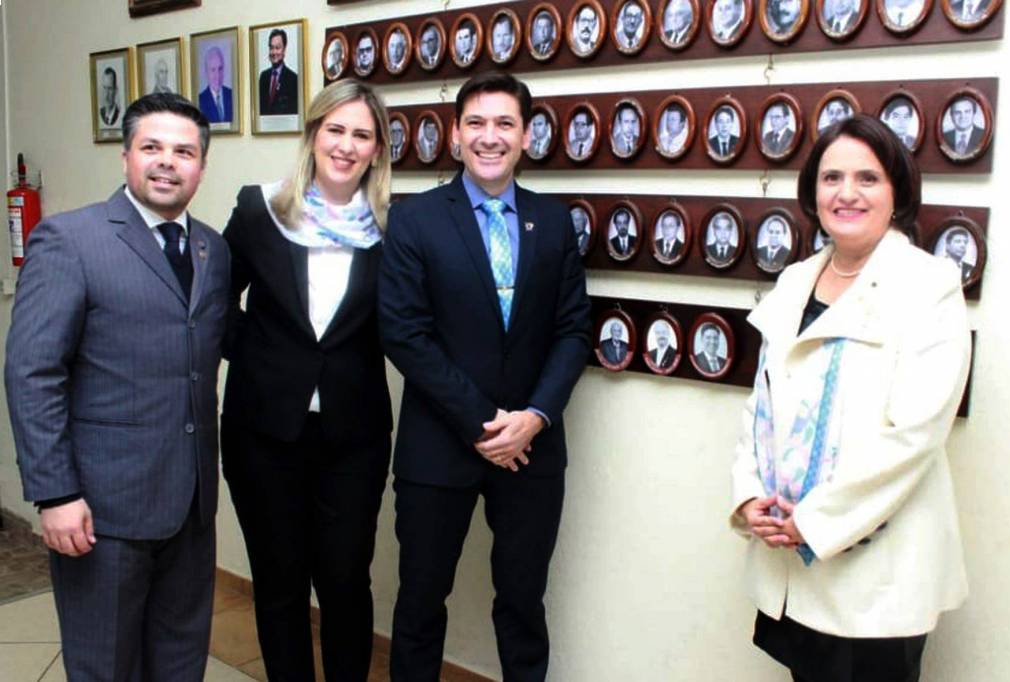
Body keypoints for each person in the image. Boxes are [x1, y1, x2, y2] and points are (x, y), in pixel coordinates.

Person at [730, 114, 970, 682]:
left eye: (868, 178)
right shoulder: (794, 281)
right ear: (813, 191)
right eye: (832, 177)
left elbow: (914, 436)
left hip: (876, 572)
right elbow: (761, 407)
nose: (847, 193)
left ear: (897, 192)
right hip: (791, 562)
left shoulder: (928, 285)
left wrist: (813, 521)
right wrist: (749, 497)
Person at [5, 93, 227, 680]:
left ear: (202, 166)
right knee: (105, 665)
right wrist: (55, 493)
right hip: (100, 508)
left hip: (191, 504)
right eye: (152, 147)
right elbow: (32, 373)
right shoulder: (70, 240)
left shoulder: (212, 248)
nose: (167, 162)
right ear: (126, 156)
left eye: (184, 152)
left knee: (180, 661)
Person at [379, 71, 591, 682]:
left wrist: (534, 418)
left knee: (523, 604)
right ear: (455, 135)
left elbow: (573, 331)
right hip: (438, 447)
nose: (489, 136)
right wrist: (482, 423)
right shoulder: (416, 220)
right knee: (420, 604)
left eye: (504, 123)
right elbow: (405, 333)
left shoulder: (553, 222)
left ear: (526, 136)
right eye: (475, 122)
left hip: (532, 449)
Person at [220, 79, 394, 682]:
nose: (346, 146)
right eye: (335, 129)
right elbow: (216, 301)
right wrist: (258, 359)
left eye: (362, 135)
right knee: (279, 581)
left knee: (345, 581)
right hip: (263, 432)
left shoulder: (392, 227)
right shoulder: (260, 210)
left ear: (377, 149)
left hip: (354, 437)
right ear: (314, 133)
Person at [259, 28, 299, 116]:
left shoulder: (293, 79)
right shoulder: (263, 77)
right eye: (271, 48)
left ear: (284, 50)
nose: (274, 52)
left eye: (277, 48)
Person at [198, 45, 233, 124]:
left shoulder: (232, 95)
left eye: (220, 69)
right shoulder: (200, 101)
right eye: (213, 70)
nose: (217, 75)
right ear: (206, 73)